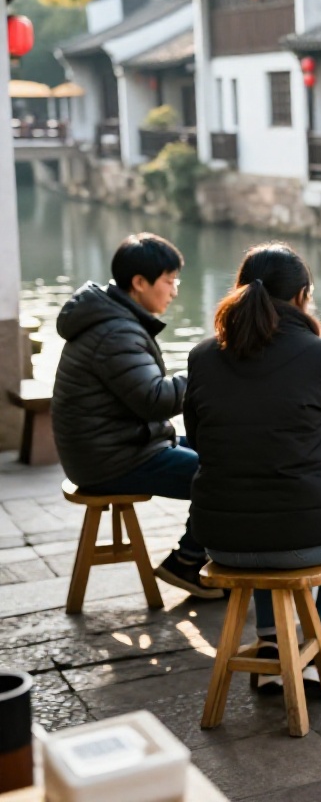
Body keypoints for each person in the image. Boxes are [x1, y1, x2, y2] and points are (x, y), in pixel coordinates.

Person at [185, 243, 321, 686]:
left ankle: (275, 645)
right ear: (302, 296)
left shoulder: (202, 356)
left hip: (219, 539)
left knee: (259, 512)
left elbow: (199, 440)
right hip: (300, 536)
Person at [51, 233, 219, 600]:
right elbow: (154, 400)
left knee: (227, 450)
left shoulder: (115, 319)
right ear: (139, 283)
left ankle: (199, 556)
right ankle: (188, 562)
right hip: (113, 459)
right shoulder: (116, 332)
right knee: (227, 476)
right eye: (169, 281)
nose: (174, 290)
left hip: (118, 446)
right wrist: (208, 370)